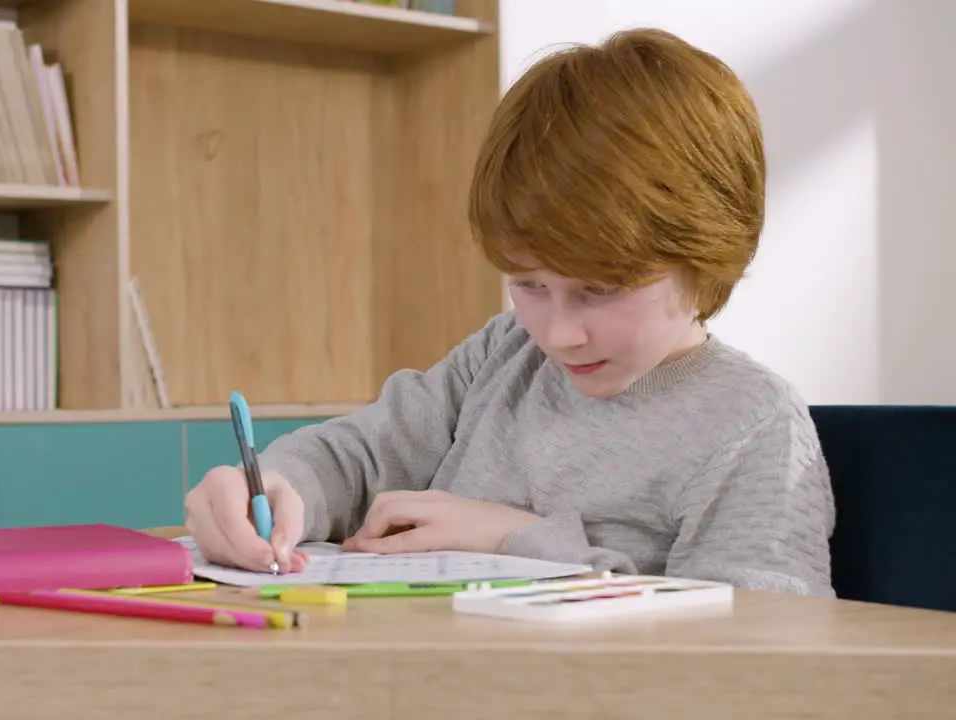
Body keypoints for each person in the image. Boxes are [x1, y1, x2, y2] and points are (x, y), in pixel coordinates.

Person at [184, 28, 836, 596]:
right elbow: (359, 455)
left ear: (707, 251)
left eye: (600, 290)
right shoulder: (507, 352)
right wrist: (278, 483)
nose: (559, 333)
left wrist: (518, 541)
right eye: (528, 284)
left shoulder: (751, 423)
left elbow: (759, 641)